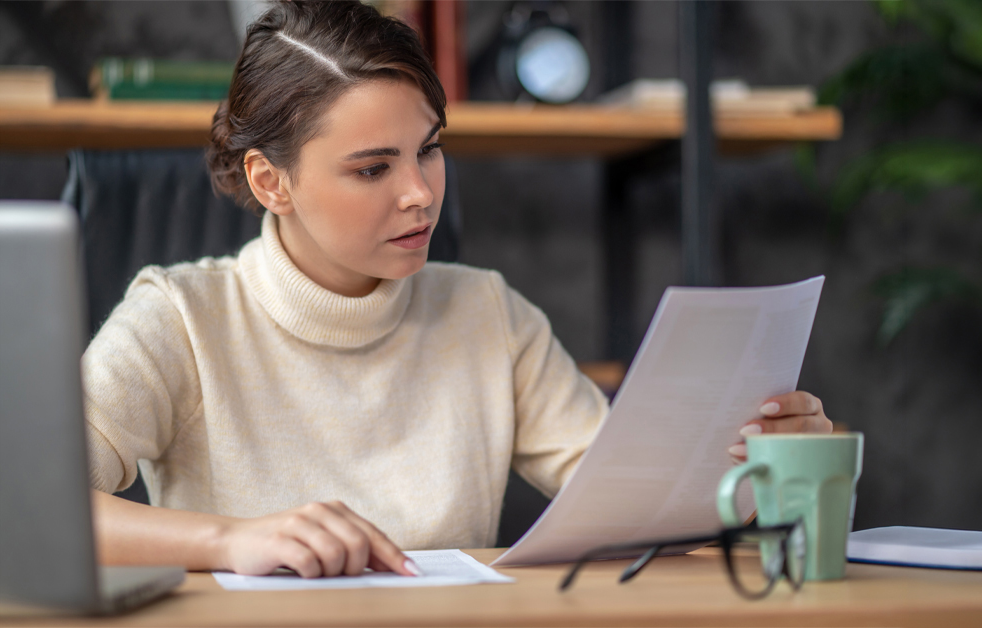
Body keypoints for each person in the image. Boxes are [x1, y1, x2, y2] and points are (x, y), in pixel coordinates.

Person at [83, 0, 832, 580]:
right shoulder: (180, 318)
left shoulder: (488, 314)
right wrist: (229, 539)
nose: (420, 193)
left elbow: (642, 506)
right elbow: (22, 508)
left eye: (430, 150)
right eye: (373, 168)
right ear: (270, 181)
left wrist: (767, 470)